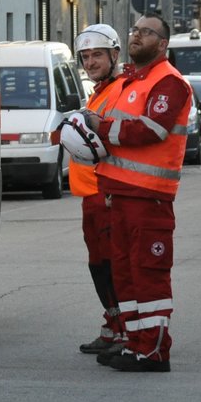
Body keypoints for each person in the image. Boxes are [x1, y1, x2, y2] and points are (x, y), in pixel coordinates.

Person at [84, 12, 192, 372]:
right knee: (125, 273)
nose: (137, 36)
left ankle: (154, 351)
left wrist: (103, 127)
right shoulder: (132, 81)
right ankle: (134, 343)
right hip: (120, 194)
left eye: (147, 32)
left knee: (148, 273)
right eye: (134, 30)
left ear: (162, 44)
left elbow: (151, 130)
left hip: (149, 198)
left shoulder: (169, 82)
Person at [70, 24, 128, 360]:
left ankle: (122, 329)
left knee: (110, 264)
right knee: (99, 264)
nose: (90, 62)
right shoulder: (99, 91)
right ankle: (113, 325)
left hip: (105, 193)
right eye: (86, 56)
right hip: (90, 193)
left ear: (114, 55)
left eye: (97, 55)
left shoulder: (119, 90)